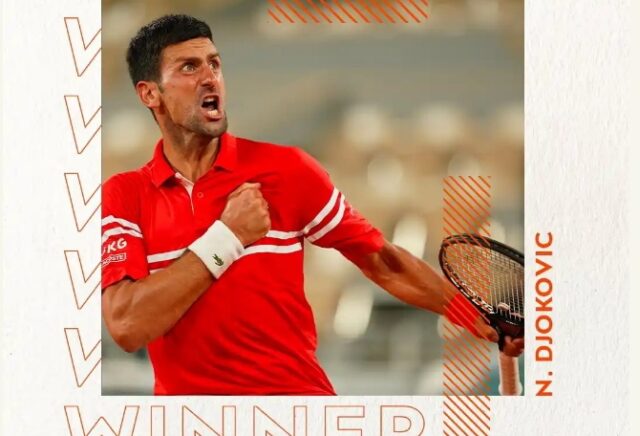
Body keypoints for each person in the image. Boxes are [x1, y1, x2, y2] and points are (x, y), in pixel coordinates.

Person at [101, 14, 523, 395]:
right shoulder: (125, 194)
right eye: (189, 68)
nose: (210, 78)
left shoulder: (287, 169)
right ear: (149, 94)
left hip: (298, 410)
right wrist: (227, 238)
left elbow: (383, 261)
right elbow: (127, 326)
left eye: (214, 63)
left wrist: (475, 316)